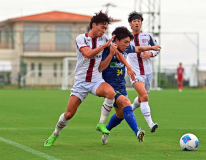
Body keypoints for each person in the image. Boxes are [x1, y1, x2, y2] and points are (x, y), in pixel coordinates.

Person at [44, 11, 116, 147]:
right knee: (69, 114)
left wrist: (114, 54)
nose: (103, 30)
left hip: (96, 80)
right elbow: (88, 54)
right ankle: (55, 134)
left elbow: (105, 63)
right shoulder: (81, 38)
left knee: (110, 93)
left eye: (105, 28)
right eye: (102, 27)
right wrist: (104, 47)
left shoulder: (105, 39)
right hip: (81, 83)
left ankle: (101, 124)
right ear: (93, 25)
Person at [99, 26, 161, 143]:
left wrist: (151, 47)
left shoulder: (126, 49)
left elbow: (138, 48)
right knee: (127, 103)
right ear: (116, 40)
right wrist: (127, 66)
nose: (128, 44)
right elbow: (103, 65)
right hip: (109, 87)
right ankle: (137, 132)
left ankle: (106, 129)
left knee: (121, 115)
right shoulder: (108, 50)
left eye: (129, 42)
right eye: (125, 42)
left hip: (121, 86)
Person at [128, 11, 160, 133]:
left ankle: (131, 107)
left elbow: (157, 48)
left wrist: (150, 53)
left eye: (139, 21)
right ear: (130, 23)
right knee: (144, 95)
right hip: (135, 72)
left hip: (148, 72)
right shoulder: (127, 38)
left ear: (141, 23)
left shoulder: (148, 36)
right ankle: (151, 124)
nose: (137, 23)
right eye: (134, 21)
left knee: (143, 96)